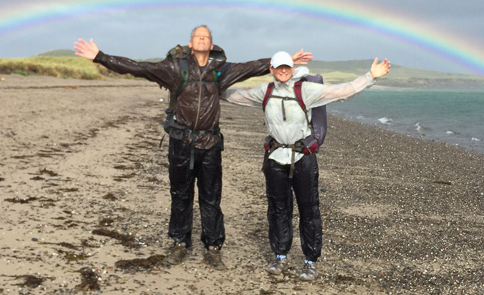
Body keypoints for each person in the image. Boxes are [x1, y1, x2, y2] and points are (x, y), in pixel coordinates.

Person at [73, 26, 312, 269]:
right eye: (198, 35)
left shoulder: (221, 71)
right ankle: (179, 243)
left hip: (210, 145)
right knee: (180, 196)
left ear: (211, 45)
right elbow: (138, 67)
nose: (202, 38)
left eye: (206, 36)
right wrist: (100, 56)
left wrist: (283, 60)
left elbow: (251, 67)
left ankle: (214, 246)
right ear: (190, 43)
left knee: (211, 198)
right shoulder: (174, 68)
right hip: (181, 143)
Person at [221, 51, 390, 280]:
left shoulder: (306, 91)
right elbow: (233, 96)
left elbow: (342, 92)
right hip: (275, 159)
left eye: (287, 67)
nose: (283, 71)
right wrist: (205, 87)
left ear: (292, 69)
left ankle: (310, 261)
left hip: (303, 158)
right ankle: (280, 256)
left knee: (309, 211)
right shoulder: (265, 91)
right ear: (270, 69)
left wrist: (370, 76)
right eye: (278, 67)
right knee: (278, 210)